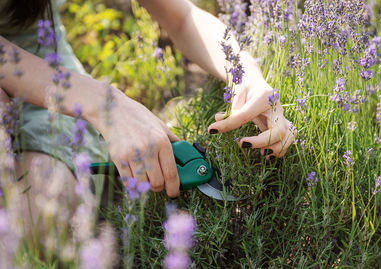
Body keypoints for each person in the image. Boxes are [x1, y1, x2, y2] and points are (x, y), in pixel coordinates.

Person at [0, 0, 296, 204]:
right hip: (50, 83)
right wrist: (105, 103)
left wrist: (246, 76)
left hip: (44, 61)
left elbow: (183, 18)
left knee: (44, 207)